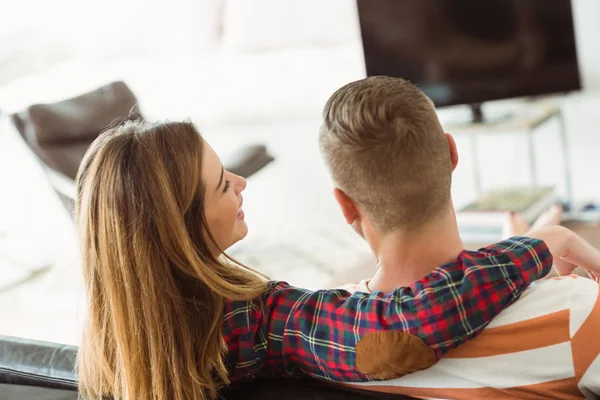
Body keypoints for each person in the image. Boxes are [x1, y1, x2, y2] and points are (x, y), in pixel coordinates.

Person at [73, 116, 550, 400]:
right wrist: (540, 246)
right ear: (181, 230)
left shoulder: (106, 352)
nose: (241, 183)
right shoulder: (249, 321)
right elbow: (402, 332)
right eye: (222, 184)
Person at [319, 76, 600, 398]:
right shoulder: (574, 314)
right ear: (452, 154)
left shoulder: (334, 339)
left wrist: (518, 248)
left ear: (344, 204)